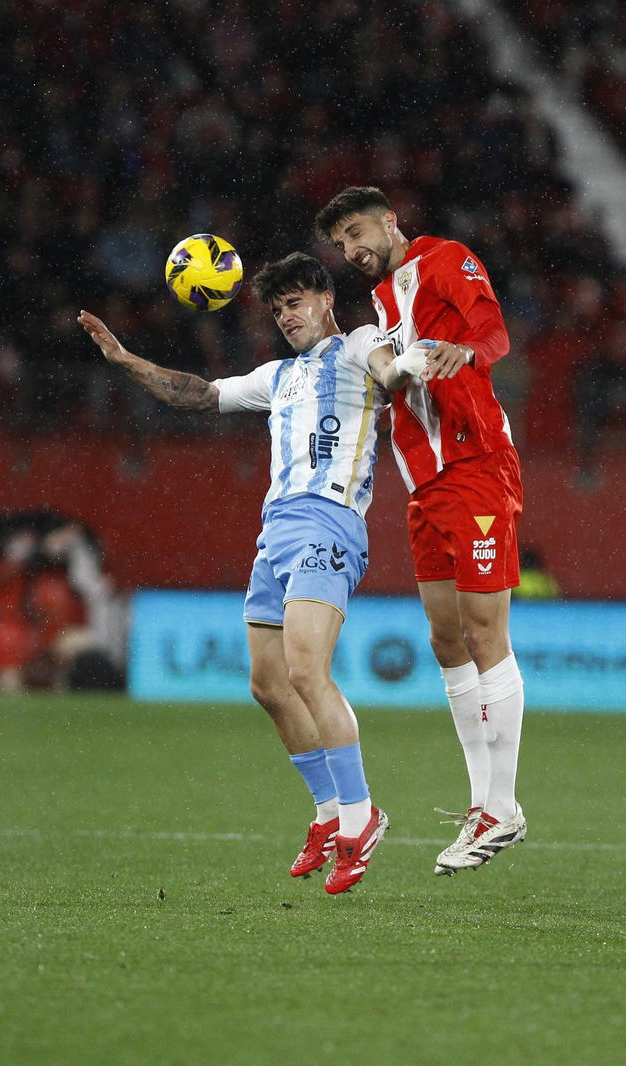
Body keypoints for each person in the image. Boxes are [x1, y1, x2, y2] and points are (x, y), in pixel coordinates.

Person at [77, 252, 425, 893]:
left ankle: (361, 816)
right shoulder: (278, 376)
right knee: (268, 685)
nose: (286, 317)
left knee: (305, 672)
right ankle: (328, 813)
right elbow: (201, 395)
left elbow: (388, 368)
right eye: (277, 309)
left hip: (329, 521)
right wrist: (126, 361)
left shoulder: (357, 346)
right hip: (277, 532)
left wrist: (403, 366)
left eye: (295, 302)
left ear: (325, 298)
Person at [317, 186, 528, 875]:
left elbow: (494, 331)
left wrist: (467, 353)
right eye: (341, 243)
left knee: (485, 632)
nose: (352, 250)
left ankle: (502, 807)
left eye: (357, 232)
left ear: (390, 221)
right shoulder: (382, 307)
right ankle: (482, 803)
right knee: (445, 639)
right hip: (424, 483)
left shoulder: (444, 259)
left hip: (475, 465)